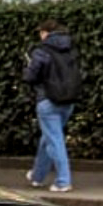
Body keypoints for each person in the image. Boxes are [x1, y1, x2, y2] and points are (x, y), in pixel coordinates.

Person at [22, 18, 81, 192]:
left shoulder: (41, 51)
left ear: (45, 33)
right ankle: (37, 176)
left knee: (54, 140)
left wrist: (27, 68)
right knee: (48, 138)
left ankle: (63, 181)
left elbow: (31, 76)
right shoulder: (71, 48)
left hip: (47, 99)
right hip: (68, 100)